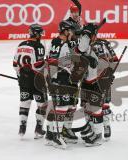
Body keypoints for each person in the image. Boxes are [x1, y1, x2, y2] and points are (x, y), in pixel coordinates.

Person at [45, 20, 81, 149]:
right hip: (60, 77)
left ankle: (59, 132)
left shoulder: (66, 43)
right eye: (71, 31)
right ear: (66, 31)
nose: (73, 33)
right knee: (62, 106)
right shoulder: (57, 42)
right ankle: (56, 136)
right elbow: (54, 62)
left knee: (71, 105)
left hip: (68, 77)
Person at [13, 24, 47, 139]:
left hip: (23, 79)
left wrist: (20, 76)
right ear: (36, 34)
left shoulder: (21, 45)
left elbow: (15, 64)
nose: (41, 36)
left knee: (25, 102)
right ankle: (38, 129)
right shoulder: (39, 46)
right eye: (40, 33)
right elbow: (38, 66)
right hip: (37, 80)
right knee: (42, 104)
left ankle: (22, 128)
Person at [91, 39, 118, 141]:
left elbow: (114, 60)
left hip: (100, 78)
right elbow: (115, 60)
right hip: (94, 79)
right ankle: (96, 128)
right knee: (96, 105)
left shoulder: (100, 44)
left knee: (102, 105)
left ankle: (105, 126)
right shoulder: (104, 44)